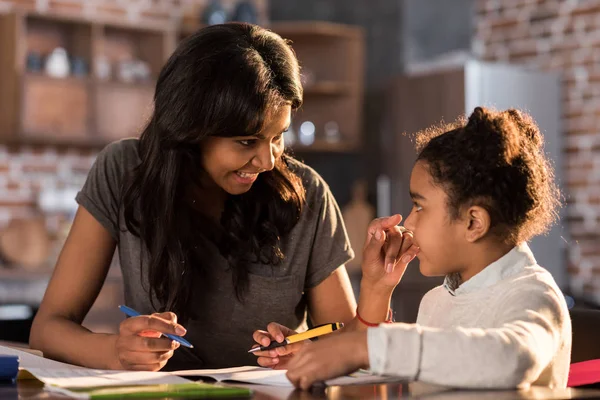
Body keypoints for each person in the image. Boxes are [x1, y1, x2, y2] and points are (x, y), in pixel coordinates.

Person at [28, 22, 417, 372]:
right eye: (247, 141)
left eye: (278, 137)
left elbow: (346, 340)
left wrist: (306, 352)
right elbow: (48, 328)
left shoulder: (307, 194)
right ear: (190, 129)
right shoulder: (123, 170)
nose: (267, 161)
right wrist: (116, 350)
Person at [283, 107, 572, 389]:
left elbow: (512, 359)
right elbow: (400, 367)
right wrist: (314, 354)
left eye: (419, 206)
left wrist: (364, 346)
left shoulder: (534, 295)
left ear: (473, 223)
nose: (408, 222)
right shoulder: (436, 302)